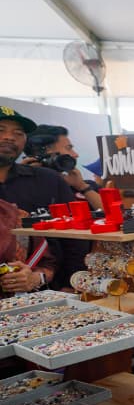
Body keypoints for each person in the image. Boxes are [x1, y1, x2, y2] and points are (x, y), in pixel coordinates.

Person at [0, 106, 73, 290]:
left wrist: (71, 283)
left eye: (18, 133)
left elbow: (75, 236)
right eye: (1, 130)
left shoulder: (48, 180)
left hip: (48, 294)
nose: (9, 137)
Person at [23, 123, 104, 210]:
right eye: (68, 148)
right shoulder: (22, 188)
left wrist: (82, 187)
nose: (75, 154)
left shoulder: (85, 185)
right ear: (45, 152)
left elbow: (113, 213)